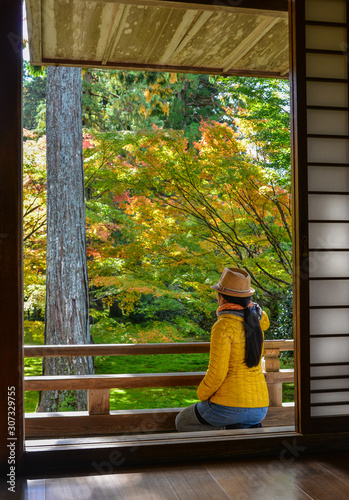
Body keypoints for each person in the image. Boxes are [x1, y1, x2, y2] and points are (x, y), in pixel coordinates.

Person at [175, 267, 269, 432]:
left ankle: (231, 432)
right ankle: (243, 433)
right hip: (260, 408)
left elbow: (217, 372)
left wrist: (202, 395)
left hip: (229, 407)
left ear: (221, 297)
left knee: (182, 421)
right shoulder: (256, 320)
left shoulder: (223, 325)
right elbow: (265, 321)